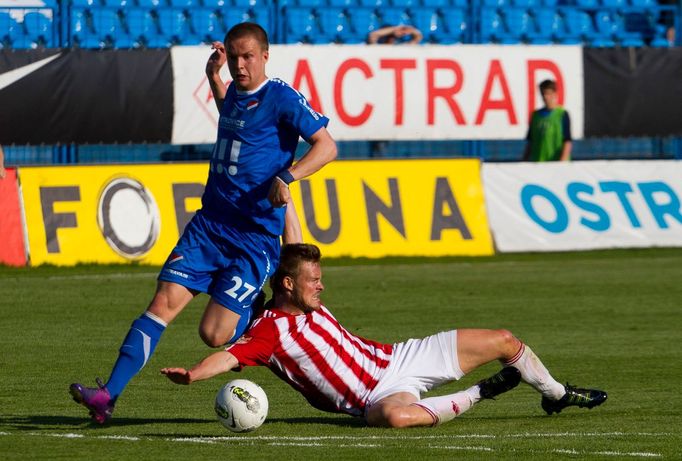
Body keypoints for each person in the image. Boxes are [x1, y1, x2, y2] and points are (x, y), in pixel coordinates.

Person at [70, 22, 337, 424]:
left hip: (253, 238)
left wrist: (289, 176)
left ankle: (258, 319)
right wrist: (214, 76)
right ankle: (108, 395)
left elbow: (328, 146)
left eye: (248, 57)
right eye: (234, 58)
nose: (240, 65)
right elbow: (231, 112)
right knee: (160, 305)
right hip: (209, 226)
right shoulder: (233, 93)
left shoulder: (281, 97)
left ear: (265, 56)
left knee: (213, 335)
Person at [161, 243, 607, 428]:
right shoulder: (269, 331)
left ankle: (556, 393)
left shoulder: (301, 293)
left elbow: (292, 242)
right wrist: (195, 375)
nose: (322, 286)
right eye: (314, 280)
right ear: (289, 286)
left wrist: (286, 191)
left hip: (401, 359)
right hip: (373, 401)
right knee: (397, 420)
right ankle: (481, 393)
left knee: (505, 340)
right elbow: (228, 356)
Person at [523, 79, 572, 162]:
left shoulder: (562, 114)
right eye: (543, 94)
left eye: (548, 93)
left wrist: (562, 163)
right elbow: (530, 142)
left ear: (555, 94)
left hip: (556, 164)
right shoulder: (535, 115)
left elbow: (567, 141)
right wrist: (524, 161)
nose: (545, 97)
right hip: (538, 164)